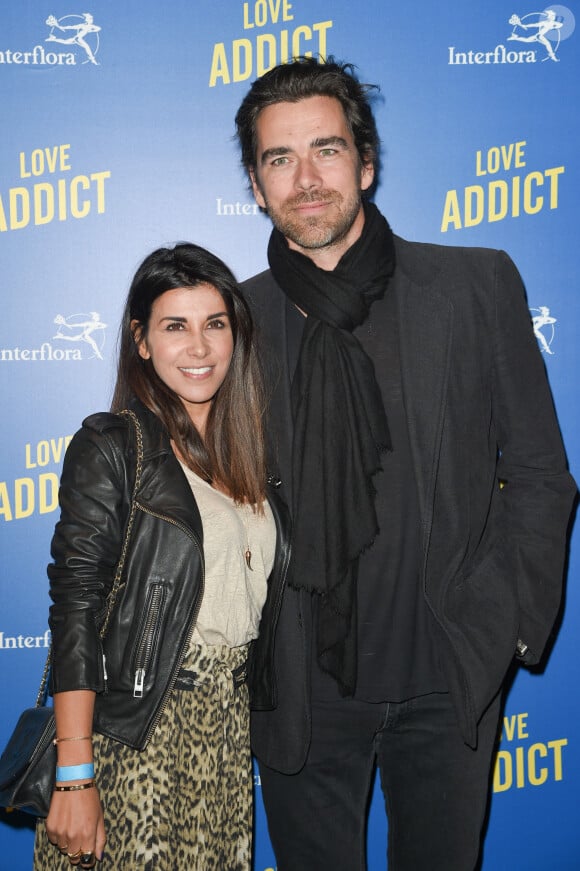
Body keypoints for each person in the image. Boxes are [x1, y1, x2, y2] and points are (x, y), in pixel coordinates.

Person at [234, 57, 576, 870]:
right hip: (299, 687)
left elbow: (538, 467)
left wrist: (513, 625)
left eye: (326, 149)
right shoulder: (234, 319)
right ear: (255, 185)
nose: (306, 178)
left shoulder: (472, 285)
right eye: (279, 159)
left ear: (368, 163)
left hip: (446, 672)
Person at [33, 243, 290, 870]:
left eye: (215, 324)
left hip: (226, 738)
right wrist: (74, 772)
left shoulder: (254, 456)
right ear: (141, 340)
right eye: (175, 326)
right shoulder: (115, 444)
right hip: (134, 735)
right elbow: (76, 611)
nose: (199, 348)